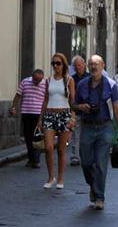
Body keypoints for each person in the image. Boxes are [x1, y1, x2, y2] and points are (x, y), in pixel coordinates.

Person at [73, 55, 118, 210]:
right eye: (91, 64)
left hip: (105, 127)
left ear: (102, 65)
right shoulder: (82, 84)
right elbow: (74, 105)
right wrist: (81, 107)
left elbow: (116, 109)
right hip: (87, 126)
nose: (93, 67)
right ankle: (93, 185)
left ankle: (100, 197)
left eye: (96, 64)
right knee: (86, 162)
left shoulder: (111, 84)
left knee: (101, 163)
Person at [38, 53, 75, 189]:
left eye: (58, 63)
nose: (55, 66)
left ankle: (60, 178)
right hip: (49, 114)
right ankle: (50, 176)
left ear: (63, 64)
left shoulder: (69, 80)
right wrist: (40, 119)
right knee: (48, 148)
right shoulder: (48, 80)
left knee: (61, 149)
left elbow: (73, 101)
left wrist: (72, 117)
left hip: (64, 115)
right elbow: (45, 99)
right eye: (53, 63)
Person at [10, 69, 46, 168]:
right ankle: (31, 158)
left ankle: (36, 160)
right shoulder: (25, 82)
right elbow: (18, 95)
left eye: (39, 80)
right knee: (28, 137)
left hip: (38, 114)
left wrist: (43, 116)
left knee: (37, 137)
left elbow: (46, 100)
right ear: (32, 77)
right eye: (35, 80)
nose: (37, 83)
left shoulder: (45, 84)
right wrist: (13, 107)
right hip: (26, 112)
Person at [69, 56, 88, 166]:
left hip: (88, 111)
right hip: (76, 110)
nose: (78, 67)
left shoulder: (90, 77)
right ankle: (75, 157)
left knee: (87, 135)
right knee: (76, 134)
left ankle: (85, 155)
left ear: (84, 65)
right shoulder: (72, 79)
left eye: (79, 65)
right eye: (76, 65)